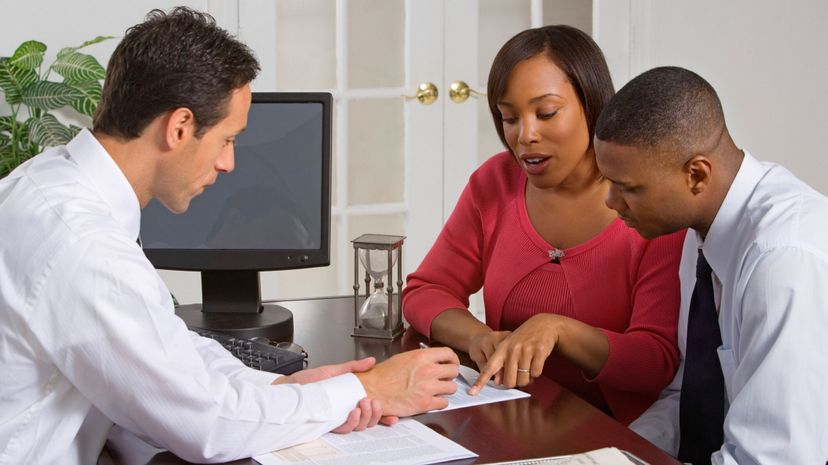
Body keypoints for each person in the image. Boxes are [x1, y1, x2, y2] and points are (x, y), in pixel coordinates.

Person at [0, 8, 459, 465]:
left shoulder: (48, 182)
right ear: (179, 128)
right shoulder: (84, 244)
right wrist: (367, 388)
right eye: (227, 139)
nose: (229, 164)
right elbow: (207, 426)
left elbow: (164, 348)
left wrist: (280, 388)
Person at [402, 25, 685, 426]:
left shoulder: (647, 200)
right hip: (507, 414)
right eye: (509, 117)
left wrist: (558, 330)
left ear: (592, 104)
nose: (524, 135)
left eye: (546, 112)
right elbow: (426, 290)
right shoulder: (495, 183)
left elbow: (654, 361)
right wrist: (479, 337)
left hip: (612, 432)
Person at [594, 66, 828, 465]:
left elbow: (775, 458)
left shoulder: (781, 259)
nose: (611, 202)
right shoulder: (702, 233)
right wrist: (618, 455)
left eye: (629, 188)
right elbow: (690, 396)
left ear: (696, 174)